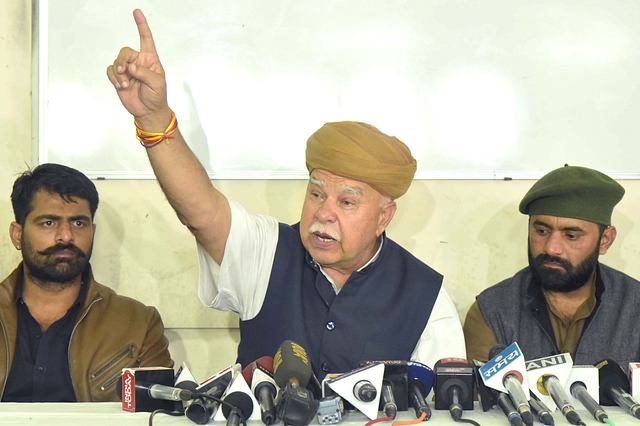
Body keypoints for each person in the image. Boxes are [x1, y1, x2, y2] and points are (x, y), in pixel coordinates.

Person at [106, 9, 465, 378]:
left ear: (383, 218)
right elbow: (202, 213)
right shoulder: (268, 250)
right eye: (316, 194)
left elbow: (444, 407)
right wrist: (153, 119)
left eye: (346, 202)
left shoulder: (426, 298)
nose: (324, 214)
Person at [1, 163, 173, 402]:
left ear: (92, 231)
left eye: (78, 223)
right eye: (48, 222)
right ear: (17, 235)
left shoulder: (138, 324)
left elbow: (157, 415)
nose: (66, 235)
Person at [464, 165, 640, 366]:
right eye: (541, 231)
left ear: (605, 240)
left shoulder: (635, 307)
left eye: (571, 236)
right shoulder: (492, 311)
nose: (551, 248)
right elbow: (480, 395)